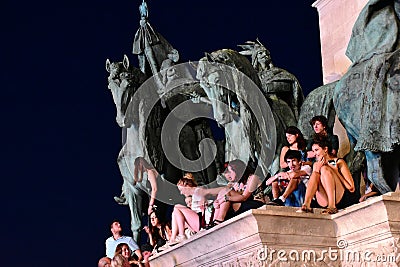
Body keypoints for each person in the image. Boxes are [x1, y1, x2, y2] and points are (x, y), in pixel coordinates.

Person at [298, 136, 358, 214]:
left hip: (340, 198)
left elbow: (351, 188)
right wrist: (316, 169)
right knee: (316, 170)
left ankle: (332, 206)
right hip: (323, 199)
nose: (314, 154)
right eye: (313, 151)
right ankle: (306, 204)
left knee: (324, 169)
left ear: (325, 149)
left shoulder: (339, 162)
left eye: (316, 150)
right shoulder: (316, 164)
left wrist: (335, 171)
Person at [209, 159, 265, 226]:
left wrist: (226, 198)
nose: (228, 175)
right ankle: (214, 221)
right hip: (244, 203)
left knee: (226, 195)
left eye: (230, 172)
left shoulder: (252, 178)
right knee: (224, 192)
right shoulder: (235, 183)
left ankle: (219, 220)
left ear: (237, 170)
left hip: (256, 203)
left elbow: (244, 197)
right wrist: (218, 202)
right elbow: (225, 194)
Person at [168, 173, 213, 245]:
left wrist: (203, 198)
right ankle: (172, 239)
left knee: (177, 207)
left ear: (186, 186)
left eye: (181, 190)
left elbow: (203, 193)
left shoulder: (197, 190)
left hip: (203, 221)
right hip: (199, 221)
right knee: (174, 213)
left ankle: (181, 235)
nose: (181, 193)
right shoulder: (194, 195)